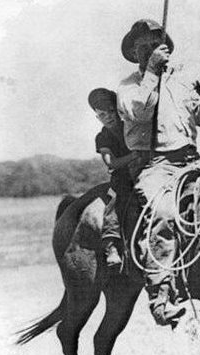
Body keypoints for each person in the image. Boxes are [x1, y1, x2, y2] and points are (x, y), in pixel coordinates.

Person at [117, 19, 200, 326]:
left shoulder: (184, 78)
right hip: (155, 164)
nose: (149, 51)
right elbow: (141, 111)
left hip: (193, 160)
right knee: (162, 212)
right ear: (135, 54)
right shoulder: (129, 86)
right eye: (142, 47)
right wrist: (152, 74)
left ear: (166, 49)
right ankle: (161, 296)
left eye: (155, 45)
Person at [88, 88, 140, 268]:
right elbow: (111, 163)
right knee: (115, 200)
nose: (108, 117)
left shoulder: (132, 127)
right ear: (98, 117)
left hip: (142, 171)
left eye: (111, 111)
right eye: (103, 114)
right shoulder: (103, 137)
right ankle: (111, 244)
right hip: (123, 176)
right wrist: (134, 156)